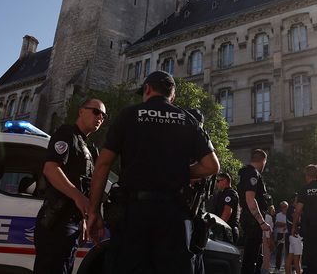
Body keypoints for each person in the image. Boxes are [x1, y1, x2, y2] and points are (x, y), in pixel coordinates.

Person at [87, 71, 220, 274]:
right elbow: (212, 166)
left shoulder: (128, 115)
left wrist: (93, 211)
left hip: (134, 214)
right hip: (174, 215)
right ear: (172, 96)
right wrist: (179, 172)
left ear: (147, 89)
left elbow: (103, 164)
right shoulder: (187, 119)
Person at [34, 98, 106, 274]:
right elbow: (51, 168)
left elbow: (82, 184)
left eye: (104, 116)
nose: (100, 118)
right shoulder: (67, 133)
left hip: (71, 222)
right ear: (81, 111)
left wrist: (83, 218)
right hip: (56, 221)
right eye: (96, 111)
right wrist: (78, 197)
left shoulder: (87, 148)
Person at [237, 149, 272, 274]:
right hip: (252, 220)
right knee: (251, 258)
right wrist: (262, 222)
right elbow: (250, 199)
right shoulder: (252, 174)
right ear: (263, 161)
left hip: (247, 218)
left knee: (253, 256)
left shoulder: (243, 173)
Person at [214, 172, 240, 243]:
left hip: (227, 231)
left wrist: (218, 228)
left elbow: (227, 211)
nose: (217, 183)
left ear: (225, 181)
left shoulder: (230, 193)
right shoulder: (222, 193)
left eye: (218, 181)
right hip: (225, 230)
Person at [286, 193, 303, 274]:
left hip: (293, 236)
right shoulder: (292, 209)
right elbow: (298, 219)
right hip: (295, 236)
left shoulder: (291, 208)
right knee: (297, 259)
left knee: (290, 257)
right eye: (297, 198)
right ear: (294, 200)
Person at [275, 201, 289, 273]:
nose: (285, 208)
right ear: (281, 208)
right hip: (280, 234)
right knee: (279, 251)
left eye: (286, 207)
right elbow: (277, 224)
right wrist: (286, 225)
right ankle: (277, 267)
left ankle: (288, 268)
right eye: (283, 207)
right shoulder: (278, 215)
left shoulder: (290, 215)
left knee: (289, 251)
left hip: (288, 234)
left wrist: (284, 225)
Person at [262, 205, 276, 274]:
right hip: (266, 236)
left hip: (267, 236)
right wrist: (268, 238)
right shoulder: (268, 217)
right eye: (273, 210)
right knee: (266, 253)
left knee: (266, 253)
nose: (274, 211)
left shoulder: (267, 216)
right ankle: (265, 270)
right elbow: (267, 229)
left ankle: (266, 268)